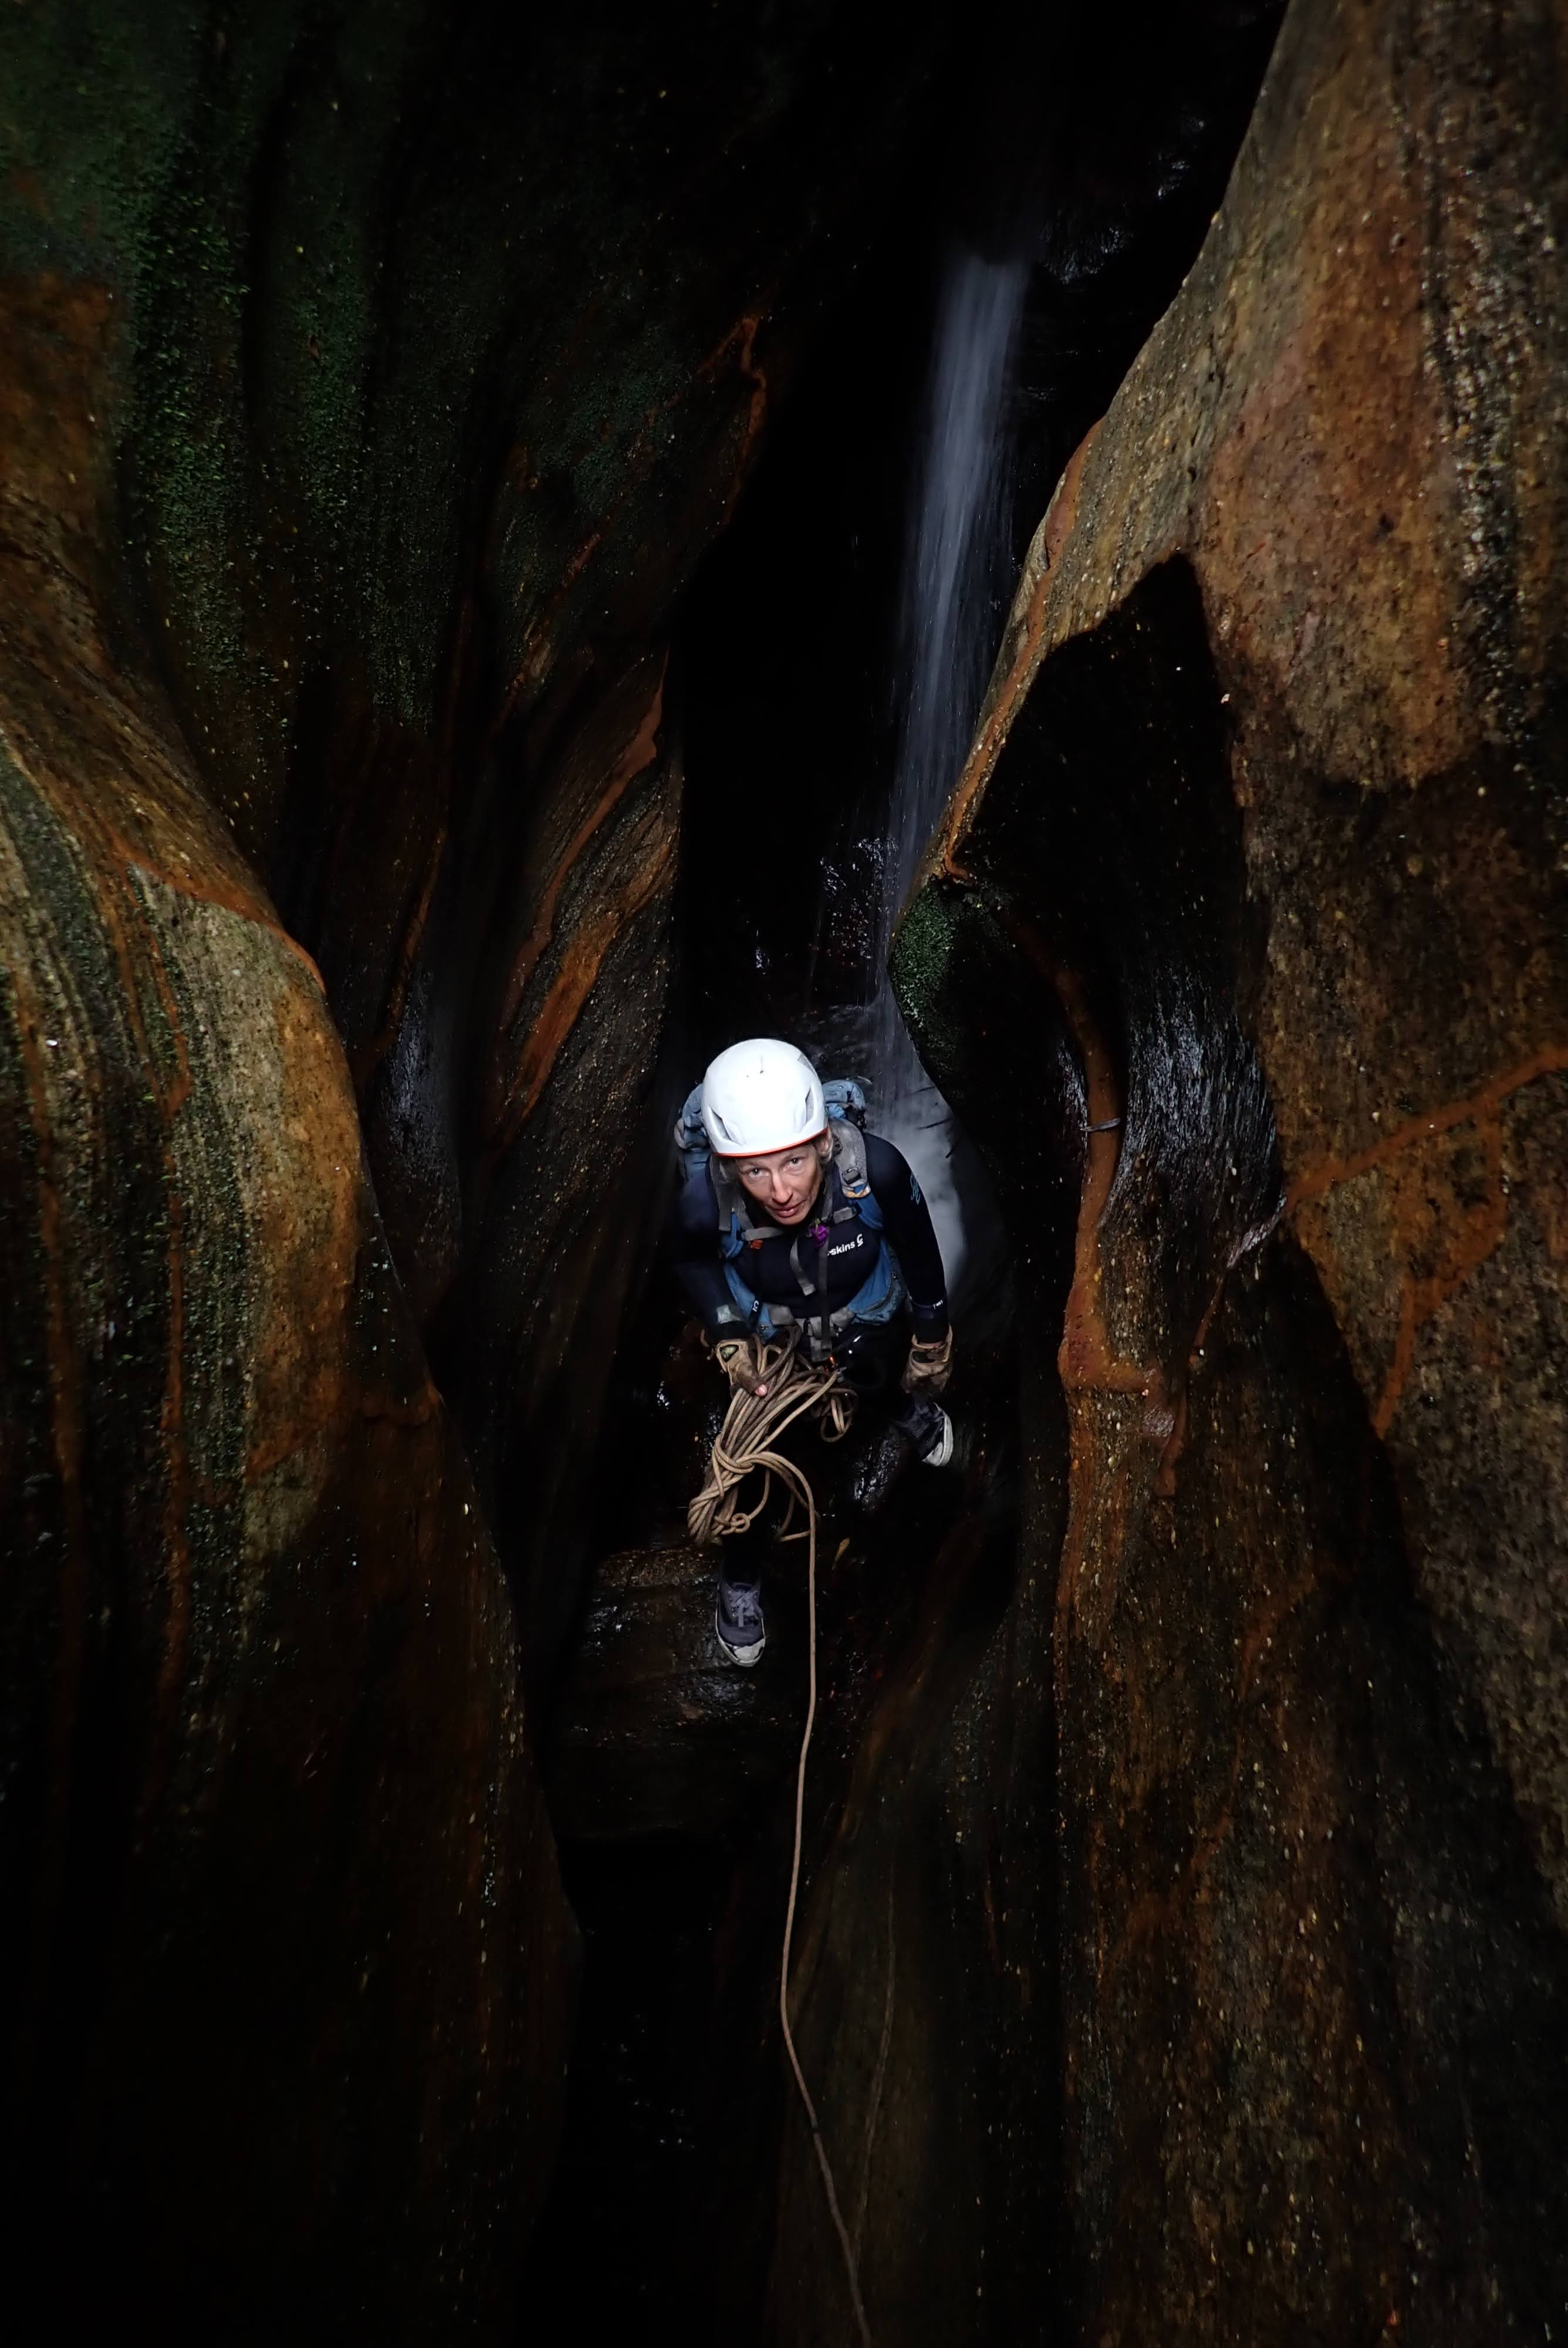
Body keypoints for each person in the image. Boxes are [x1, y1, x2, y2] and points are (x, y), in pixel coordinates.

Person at [670, 1037, 954, 1666]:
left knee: (878, 1375)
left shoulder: (873, 1171)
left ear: (824, 1141)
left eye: (794, 1162)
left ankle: (905, 1408)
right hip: (766, 1341)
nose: (779, 1190)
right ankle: (740, 1577)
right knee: (755, 1460)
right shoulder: (705, 1201)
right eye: (755, 1171)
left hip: (866, 1313)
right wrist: (726, 1335)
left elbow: (915, 1243)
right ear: (727, 1167)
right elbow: (690, 1260)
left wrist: (930, 1334)